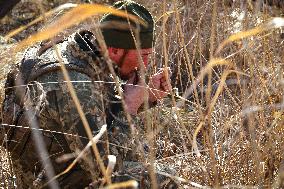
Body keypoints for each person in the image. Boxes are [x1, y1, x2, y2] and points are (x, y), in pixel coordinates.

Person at [1, 0, 172, 188]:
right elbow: (104, 168)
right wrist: (129, 108)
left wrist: (146, 98)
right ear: (115, 49)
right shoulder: (75, 84)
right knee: (165, 178)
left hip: (53, 168)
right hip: (51, 181)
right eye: (143, 55)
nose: (144, 65)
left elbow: (97, 108)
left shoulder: (81, 51)